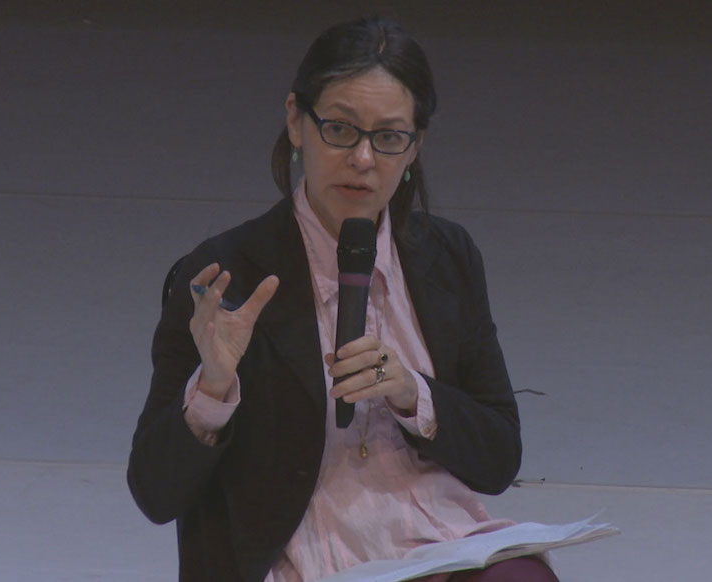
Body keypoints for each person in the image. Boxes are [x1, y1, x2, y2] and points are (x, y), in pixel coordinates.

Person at [128, 16, 559, 582]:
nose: (362, 159)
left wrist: (413, 393)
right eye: (340, 129)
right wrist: (211, 388)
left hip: (435, 544)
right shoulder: (224, 273)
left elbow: (499, 457)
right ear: (296, 123)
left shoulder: (447, 257)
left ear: (415, 147)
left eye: (388, 137)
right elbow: (156, 493)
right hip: (300, 557)